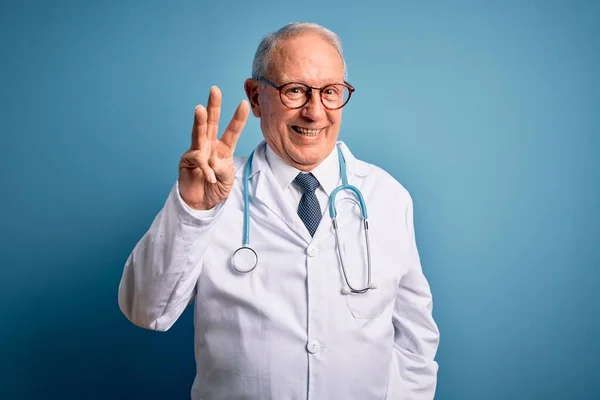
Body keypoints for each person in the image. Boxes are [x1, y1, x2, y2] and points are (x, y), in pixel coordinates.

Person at [118, 22, 439, 400]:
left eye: (331, 92)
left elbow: (415, 343)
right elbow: (146, 310)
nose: (315, 112)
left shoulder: (387, 197)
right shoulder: (212, 189)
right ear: (255, 97)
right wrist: (192, 211)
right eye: (296, 90)